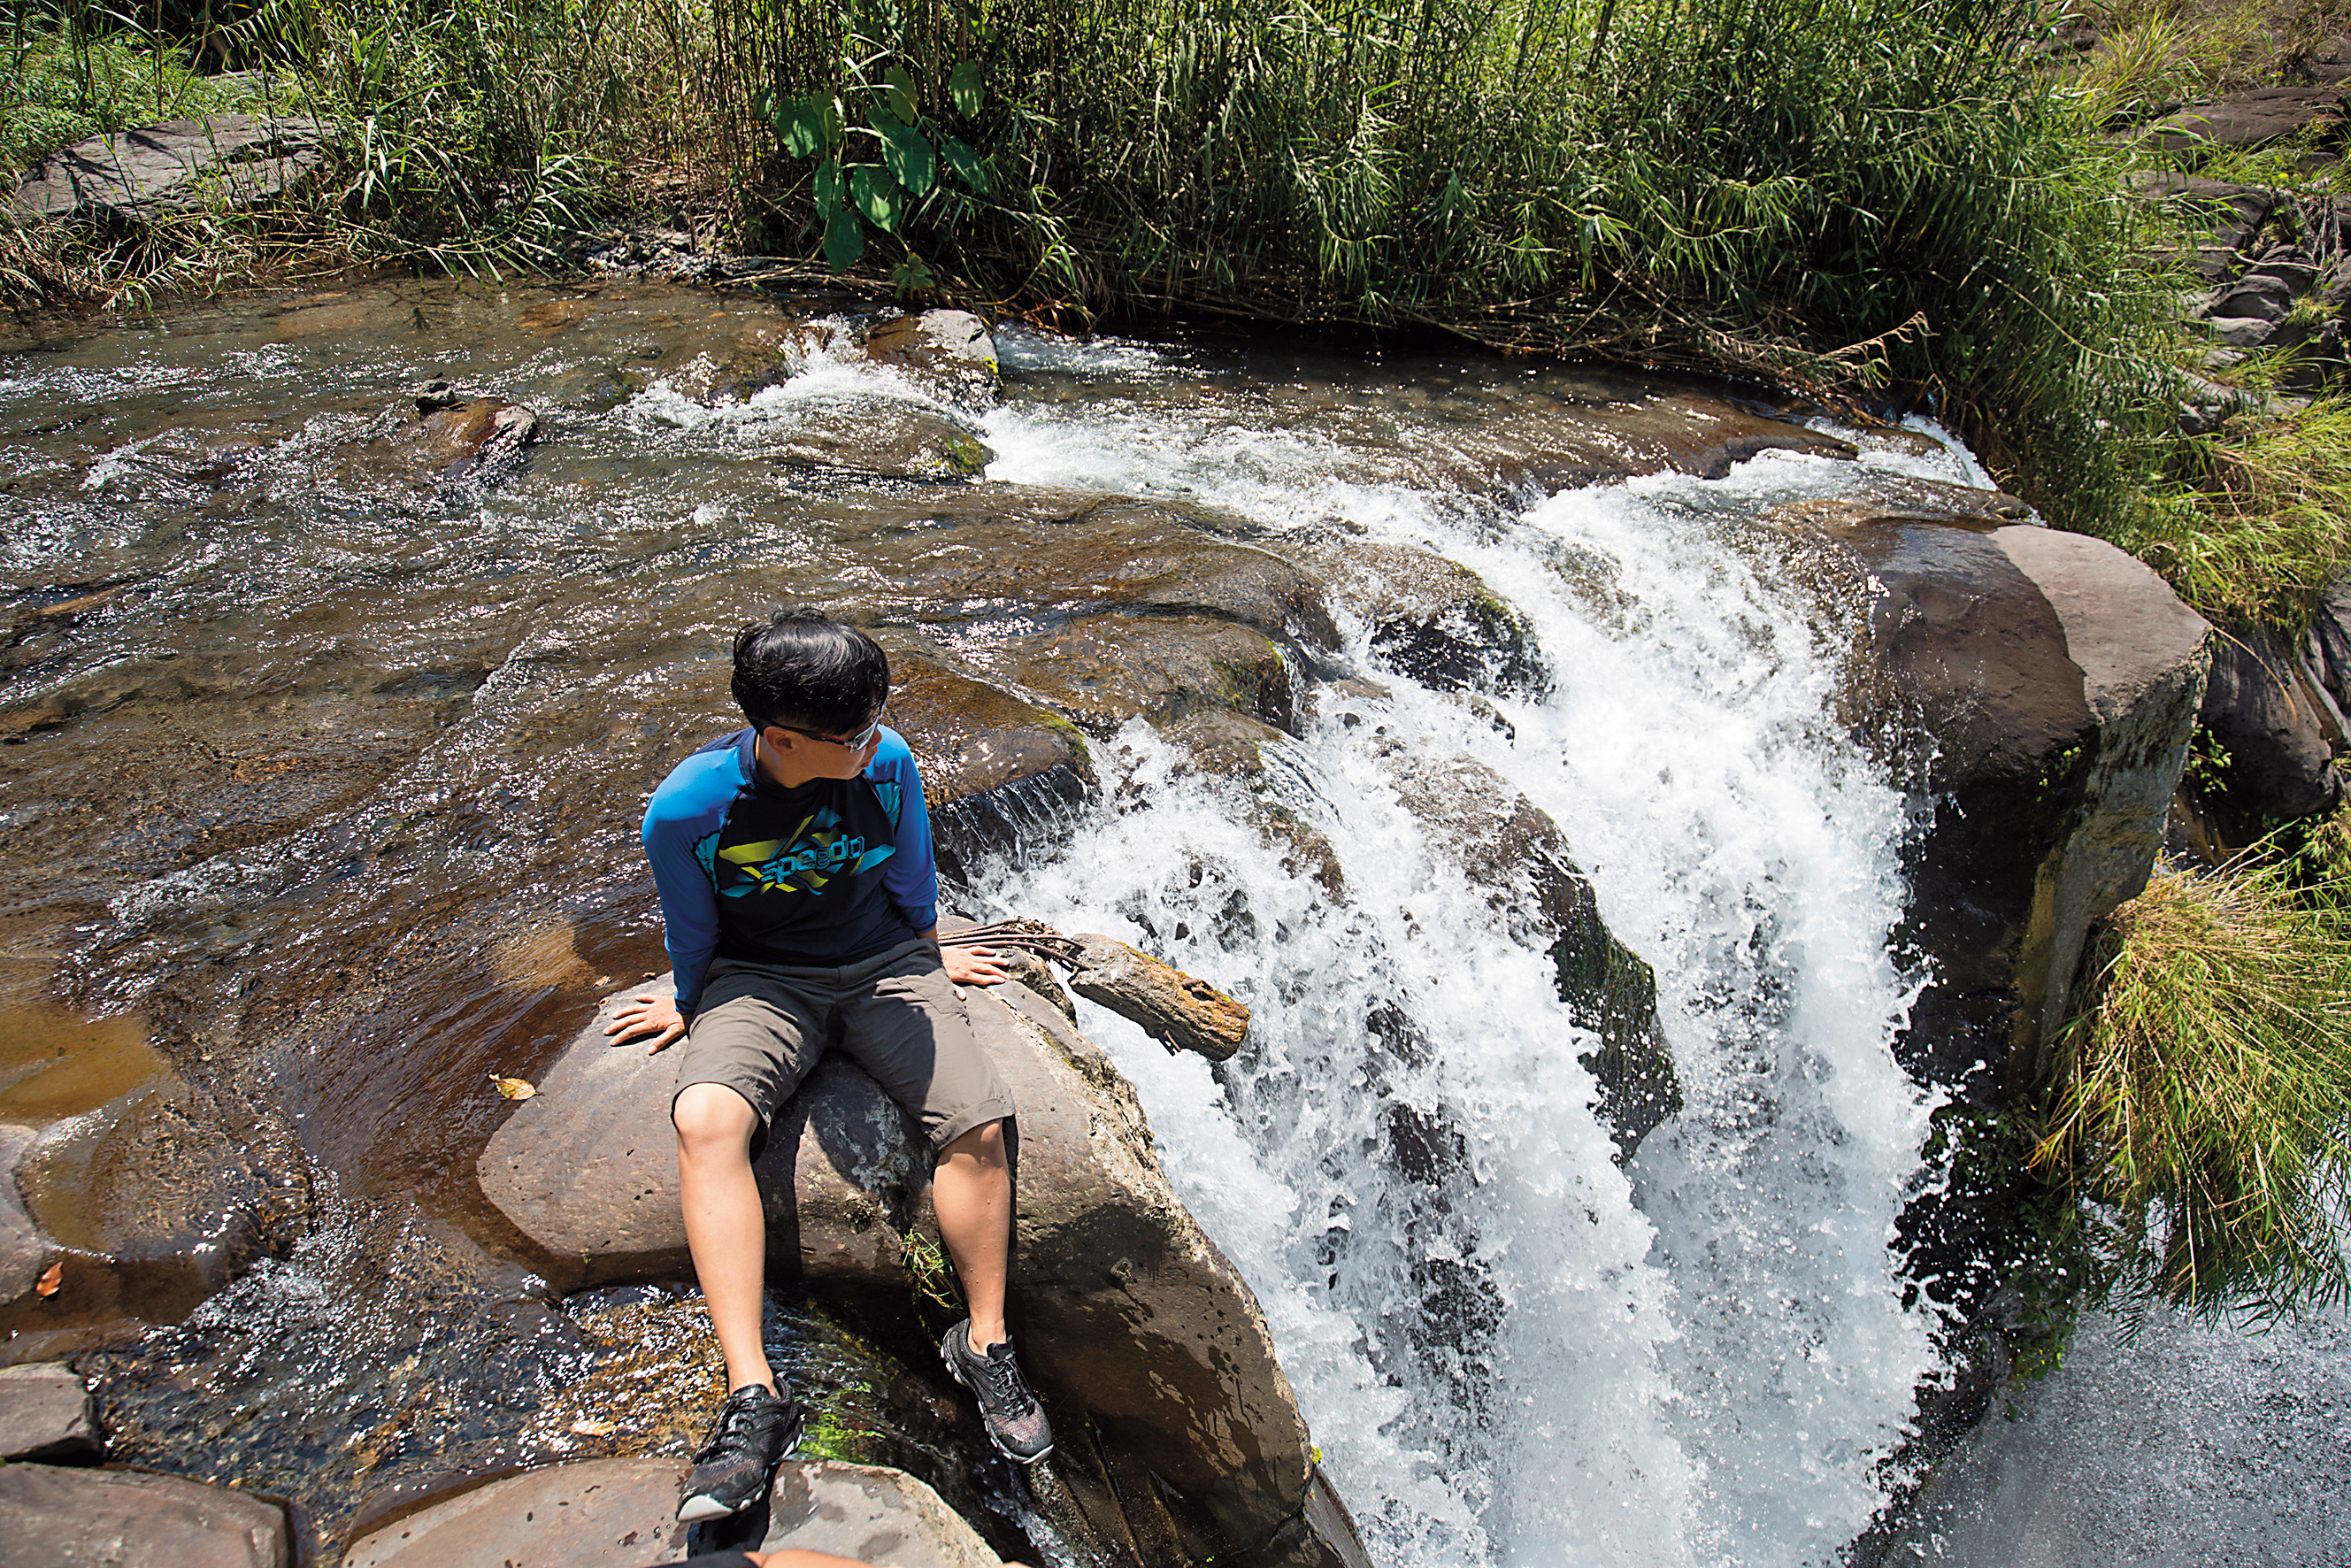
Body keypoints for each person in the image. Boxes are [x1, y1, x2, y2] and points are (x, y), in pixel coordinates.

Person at [608, 608, 1054, 1525]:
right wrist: (690, 1001)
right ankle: (753, 1394)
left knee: (976, 1117)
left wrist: (930, 949)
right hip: (761, 980)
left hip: (885, 964)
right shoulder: (689, 808)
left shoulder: (886, 762)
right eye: (852, 733)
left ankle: (984, 1340)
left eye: (875, 719)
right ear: (780, 737)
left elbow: (913, 877)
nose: (874, 740)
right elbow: (691, 926)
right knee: (705, 1120)